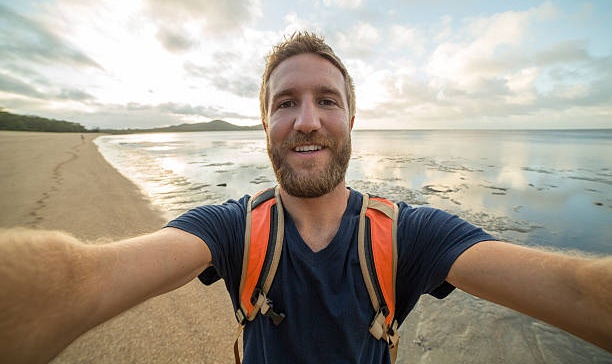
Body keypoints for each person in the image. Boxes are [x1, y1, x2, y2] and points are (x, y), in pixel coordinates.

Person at [1, 32, 611, 363]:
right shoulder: (230, 228)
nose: (308, 121)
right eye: (285, 103)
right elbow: (81, 280)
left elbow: (577, 292)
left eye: (327, 100)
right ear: (264, 123)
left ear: (352, 119)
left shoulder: (409, 234)